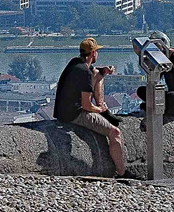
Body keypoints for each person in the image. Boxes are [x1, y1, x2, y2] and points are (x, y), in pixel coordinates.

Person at [53, 38, 128, 177]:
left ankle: (104, 111)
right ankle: (122, 171)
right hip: (74, 114)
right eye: (97, 51)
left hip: (61, 111)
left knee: (99, 75)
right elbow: (87, 105)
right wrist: (100, 110)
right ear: (93, 53)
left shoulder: (75, 63)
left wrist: (103, 71)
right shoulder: (84, 72)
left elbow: (95, 72)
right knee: (115, 133)